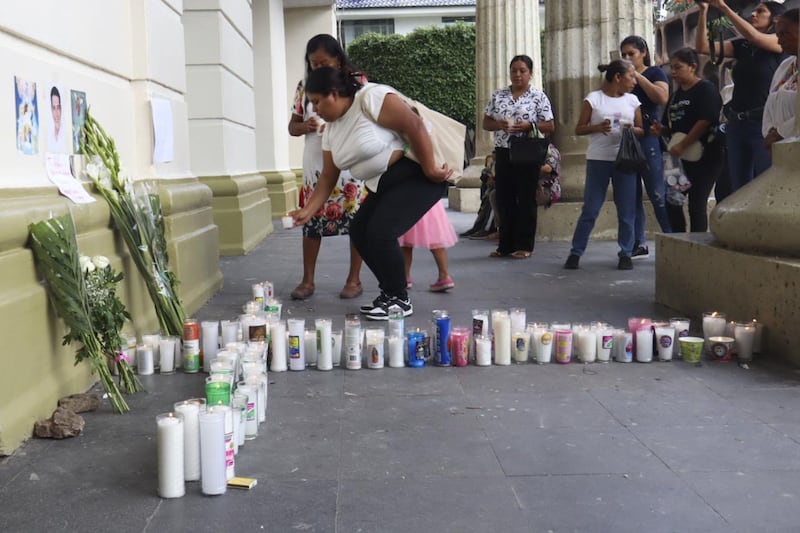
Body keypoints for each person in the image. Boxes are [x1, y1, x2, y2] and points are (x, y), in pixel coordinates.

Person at [289, 67, 451, 320]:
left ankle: (399, 299)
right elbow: (328, 177)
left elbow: (414, 125)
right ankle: (389, 293)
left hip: (415, 176)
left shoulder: (371, 97)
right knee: (360, 231)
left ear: (334, 93)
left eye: (318, 102)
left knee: (380, 233)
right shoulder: (331, 131)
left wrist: (430, 169)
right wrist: (306, 212)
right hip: (383, 185)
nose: (315, 109)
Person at [288, 34, 366, 301]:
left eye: (324, 63)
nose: (318, 69)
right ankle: (307, 281)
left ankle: (354, 279)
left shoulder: (357, 82)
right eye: (313, 64)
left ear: (338, 58)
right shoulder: (305, 87)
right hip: (315, 160)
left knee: (356, 221)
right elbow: (292, 126)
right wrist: (304, 126)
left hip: (349, 160)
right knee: (311, 222)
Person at [696, 0, 786, 200]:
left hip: (762, 123)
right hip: (737, 123)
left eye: (760, 11)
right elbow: (703, 47)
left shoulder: (779, 40)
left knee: (765, 180)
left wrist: (724, 7)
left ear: (776, 18)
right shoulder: (743, 45)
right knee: (739, 185)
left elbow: (755, 37)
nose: (753, 14)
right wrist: (703, 11)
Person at [564, 59, 643, 271]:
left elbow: (641, 130)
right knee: (590, 208)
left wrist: (631, 130)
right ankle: (576, 252)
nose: (634, 81)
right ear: (618, 77)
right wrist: (598, 127)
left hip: (624, 160)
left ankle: (625, 253)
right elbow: (579, 128)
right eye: (631, 76)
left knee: (626, 211)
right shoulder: (594, 99)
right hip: (598, 159)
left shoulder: (633, 101)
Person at [482, 55, 555, 260]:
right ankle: (505, 244)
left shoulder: (538, 97)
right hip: (504, 150)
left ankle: (525, 245)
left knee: (525, 198)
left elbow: (550, 126)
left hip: (527, 150)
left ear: (530, 73)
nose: (518, 74)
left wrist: (529, 126)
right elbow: (486, 122)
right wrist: (500, 125)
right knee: (504, 197)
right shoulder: (499, 95)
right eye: (514, 70)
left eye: (522, 70)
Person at [653, 48, 724, 233]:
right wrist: (662, 130)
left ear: (692, 67)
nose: (673, 72)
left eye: (678, 67)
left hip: (705, 158)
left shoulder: (705, 89)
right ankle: (679, 239)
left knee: (696, 204)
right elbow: (671, 124)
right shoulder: (676, 95)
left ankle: (697, 244)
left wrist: (683, 144)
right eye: (672, 68)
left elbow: (705, 120)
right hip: (676, 158)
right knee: (672, 201)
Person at [620, 35, 672, 259]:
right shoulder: (622, 77)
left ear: (643, 53)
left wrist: (636, 75)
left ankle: (672, 237)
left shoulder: (654, 73)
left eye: (631, 53)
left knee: (657, 192)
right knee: (631, 195)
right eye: (624, 55)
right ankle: (636, 243)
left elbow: (661, 97)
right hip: (627, 138)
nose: (627, 58)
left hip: (649, 137)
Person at [399, 200, 457, 292]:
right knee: (435, 240)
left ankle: (404, 277)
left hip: (408, 200)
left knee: (405, 241)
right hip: (430, 202)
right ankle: (444, 275)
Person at [763, 9, 798, 153]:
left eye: (784, 33)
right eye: (777, 35)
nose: (779, 40)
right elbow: (770, 103)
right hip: (781, 149)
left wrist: (779, 134)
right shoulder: (786, 65)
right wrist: (769, 133)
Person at [47, 86, 68, 154]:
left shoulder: (65, 134)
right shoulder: (49, 136)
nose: (57, 114)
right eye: (54, 108)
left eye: (58, 108)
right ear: (50, 109)